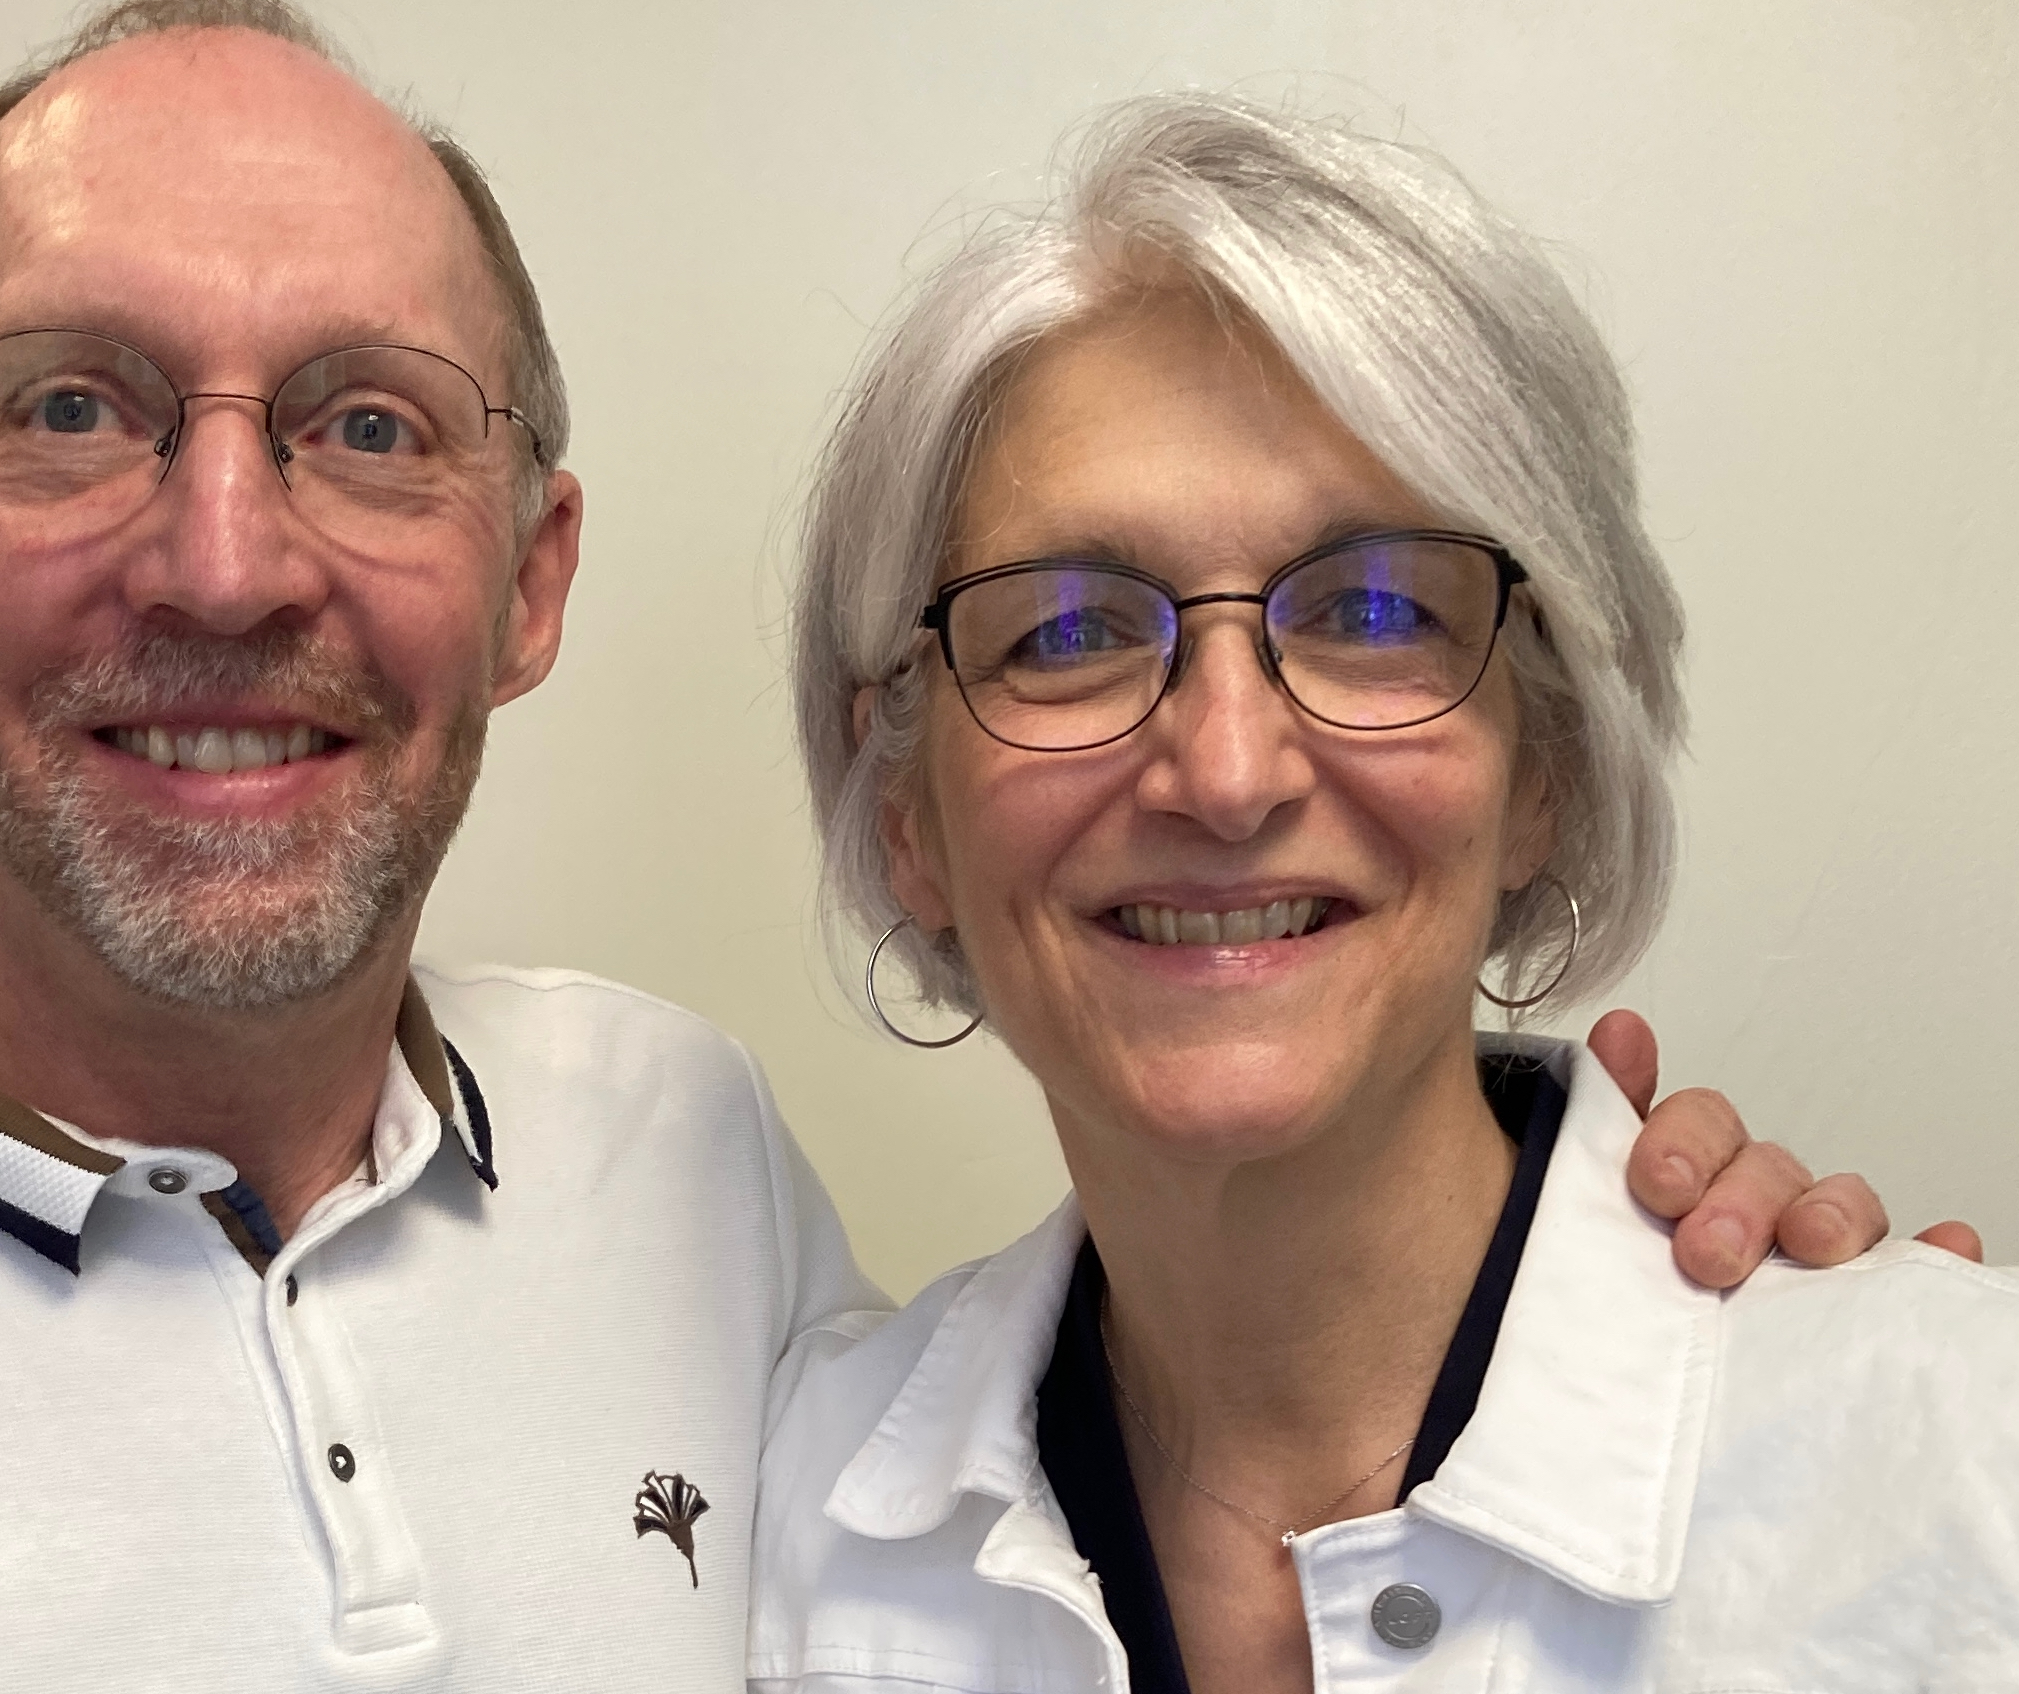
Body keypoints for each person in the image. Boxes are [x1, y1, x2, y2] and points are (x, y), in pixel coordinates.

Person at [0, 0, 1918, 1692]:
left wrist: (1780, 1331)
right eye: (69, 407)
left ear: (533, 575)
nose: (224, 562)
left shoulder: (684, 1166)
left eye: (368, 423)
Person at [751, 94, 2019, 1691]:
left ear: (1546, 759)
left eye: (1370, 611)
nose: (1227, 772)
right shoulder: (783, 1548)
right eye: (1068, 633)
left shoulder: (1964, 1475)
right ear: (906, 817)